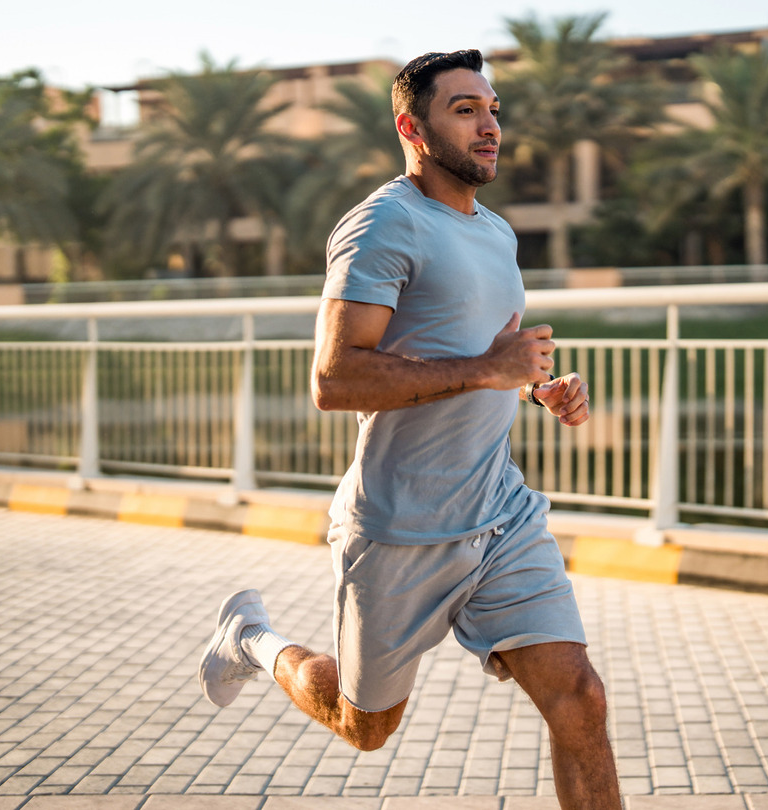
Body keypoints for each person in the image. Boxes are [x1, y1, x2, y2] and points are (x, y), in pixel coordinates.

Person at [197, 49, 620, 810]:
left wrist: (538, 387)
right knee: (363, 726)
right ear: (411, 126)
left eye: (492, 109)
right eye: (464, 110)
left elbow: (483, 357)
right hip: (399, 530)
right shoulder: (379, 225)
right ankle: (252, 641)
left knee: (579, 700)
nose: (489, 125)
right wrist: (487, 369)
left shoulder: (494, 233)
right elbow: (334, 380)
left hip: (499, 516)